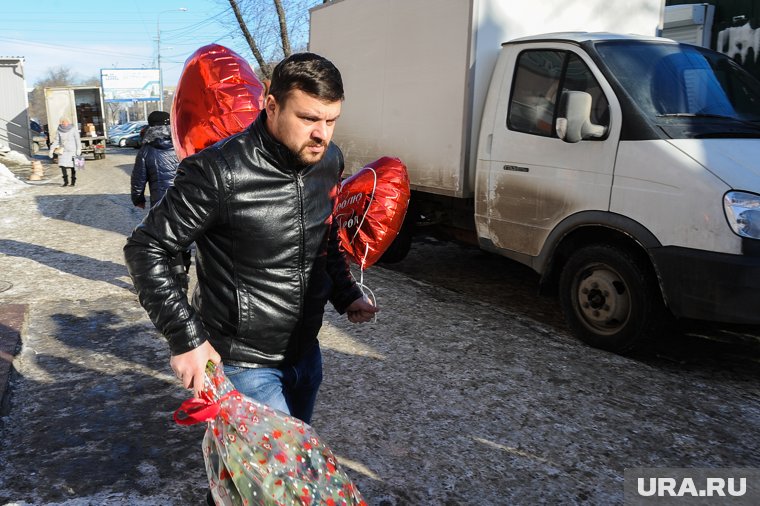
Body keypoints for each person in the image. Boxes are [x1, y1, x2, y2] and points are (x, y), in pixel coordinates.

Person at [124, 52, 377, 422]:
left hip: (305, 356)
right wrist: (185, 337)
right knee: (277, 478)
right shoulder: (217, 171)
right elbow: (147, 248)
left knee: (285, 473)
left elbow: (324, 238)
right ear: (270, 106)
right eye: (308, 119)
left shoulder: (329, 160)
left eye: (331, 120)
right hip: (245, 368)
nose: (321, 134)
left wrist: (345, 292)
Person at [130, 110, 190, 290]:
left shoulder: (146, 150)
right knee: (186, 234)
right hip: (186, 198)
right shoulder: (182, 143)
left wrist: (137, 198)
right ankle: (183, 270)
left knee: (168, 237)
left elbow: (138, 178)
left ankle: (178, 273)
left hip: (161, 202)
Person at [48, 118, 81, 187]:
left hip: (72, 150)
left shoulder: (73, 129)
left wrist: (79, 149)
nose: (64, 123)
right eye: (62, 122)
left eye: (65, 122)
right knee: (62, 166)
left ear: (68, 122)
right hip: (63, 151)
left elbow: (77, 140)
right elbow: (56, 140)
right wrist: (51, 150)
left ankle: (73, 182)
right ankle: (65, 182)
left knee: (73, 166)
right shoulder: (59, 130)